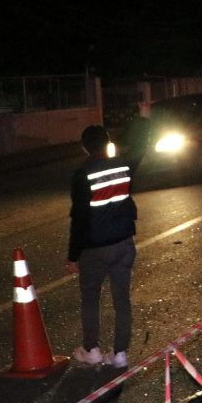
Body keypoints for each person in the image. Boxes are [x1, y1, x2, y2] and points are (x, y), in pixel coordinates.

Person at [66, 124, 139, 368]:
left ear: (84, 147)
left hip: (94, 248)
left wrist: (73, 256)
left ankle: (92, 350)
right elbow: (142, 146)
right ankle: (120, 354)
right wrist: (145, 118)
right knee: (122, 300)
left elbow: (79, 218)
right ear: (107, 142)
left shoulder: (82, 174)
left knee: (90, 299)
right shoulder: (124, 166)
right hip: (123, 243)